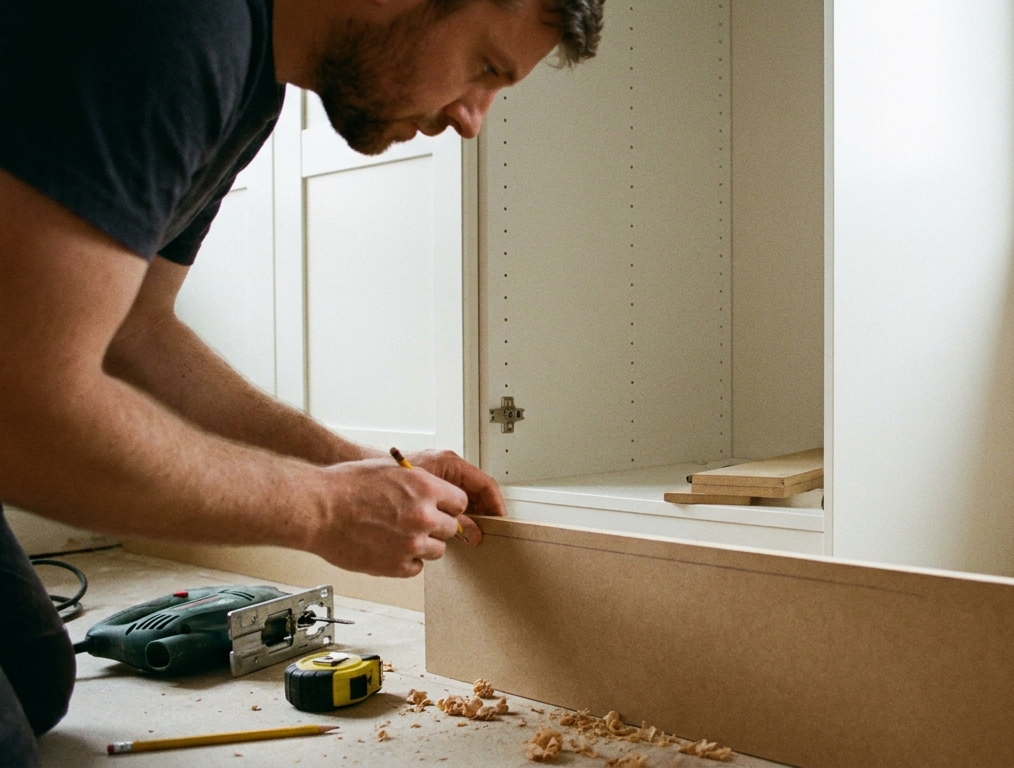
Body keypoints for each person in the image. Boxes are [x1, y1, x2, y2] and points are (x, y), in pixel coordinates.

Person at [0, 0, 604, 762]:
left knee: (34, 679)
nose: (473, 119)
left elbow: (134, 333)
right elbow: (22, 408)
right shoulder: (173, 28)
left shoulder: (251, 91)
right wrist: (319, 511)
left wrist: (363, 474)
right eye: (484, 67)